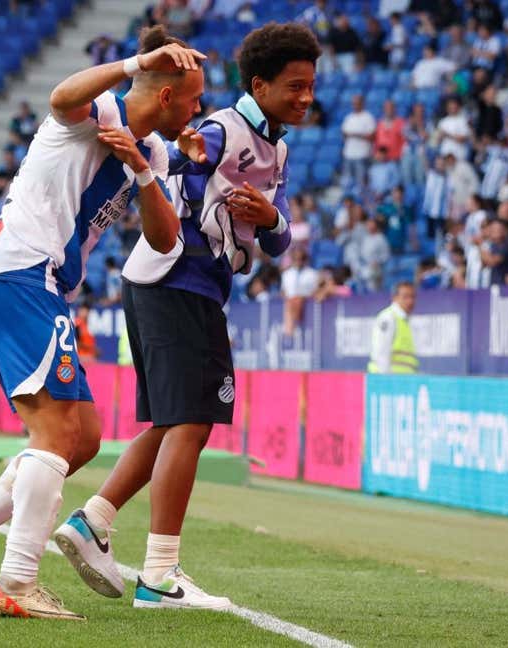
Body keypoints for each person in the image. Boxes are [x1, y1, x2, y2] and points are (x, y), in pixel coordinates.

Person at [0, 27, 201, 621]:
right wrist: (133, 63)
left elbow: (165, 236)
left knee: (86, 438)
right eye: (195, 99)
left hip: (36, 285)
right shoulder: (97, 108)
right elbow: (58, 97)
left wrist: (143, 172)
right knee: (54, 435)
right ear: (169, 94)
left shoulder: (148, 153)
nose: (199, 111)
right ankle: (17, 582)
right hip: (20, 272)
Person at [52, 22, 315, 613]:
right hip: (178, 280)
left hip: (179, 286)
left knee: (174, 424)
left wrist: (271, 217)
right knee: (192, 424)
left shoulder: (277, 147)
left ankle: (93, 520)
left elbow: (278, 243)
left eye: (309, 87)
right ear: (260, 85)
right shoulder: (223, 128)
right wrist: (183, 162)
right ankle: (159, 576)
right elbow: (170, 160)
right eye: (294, 87)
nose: (304, 98)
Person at [368, 281, 417, 373]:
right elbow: (381, 351)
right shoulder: (388, 318)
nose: (410, 301)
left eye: (413, 297)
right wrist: (387, 381)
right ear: (395, 298)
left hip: (402, 380)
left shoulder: (405, 320)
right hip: (388, 380)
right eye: (405, 297)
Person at [340, 95, 376, 190]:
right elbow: (344, 134)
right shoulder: (349, 117)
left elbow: (371, 136)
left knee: (361, 184)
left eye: (357, 103)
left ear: (362, 104)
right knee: (347, 183)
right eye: (354, 103)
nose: (355, 105)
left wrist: (355, 134)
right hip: (349, 155)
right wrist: (356, 135)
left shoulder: (368, 117)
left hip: (362, 155)